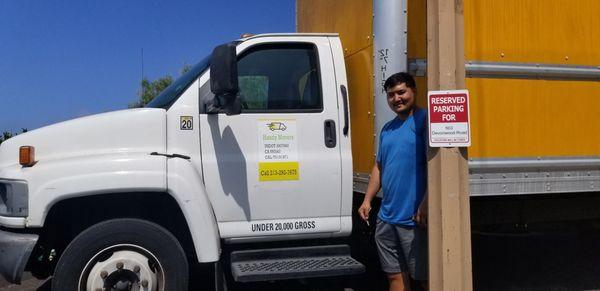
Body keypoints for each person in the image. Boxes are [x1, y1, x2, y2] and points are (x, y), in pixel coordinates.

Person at [358, 72, 428, 291]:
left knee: (426, 278)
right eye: (391, 95)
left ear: (413, 91)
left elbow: (436, 165)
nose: (397, 99)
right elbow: (379, 167)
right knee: (395, 278)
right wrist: (367, 200)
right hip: (387, 219)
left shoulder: (425, 120)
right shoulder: (387, 129)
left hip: (412, 219)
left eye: (401, 92)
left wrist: (426, 202)